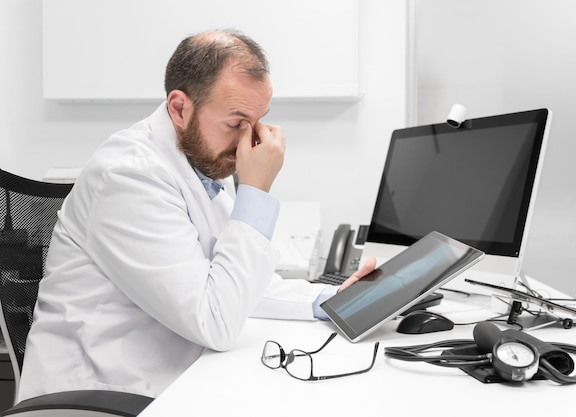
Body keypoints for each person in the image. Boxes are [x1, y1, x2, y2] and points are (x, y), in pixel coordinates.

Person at [19, 29, 376, 401]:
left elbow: (234, 283)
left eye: (257, 120)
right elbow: (215, 321)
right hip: (102, 395)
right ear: (179, 108)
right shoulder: (129, 176)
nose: (248, 140)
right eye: (235, 123)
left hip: (172, 376)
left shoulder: (205, 160)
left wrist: (328, 300)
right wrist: (256, 192)